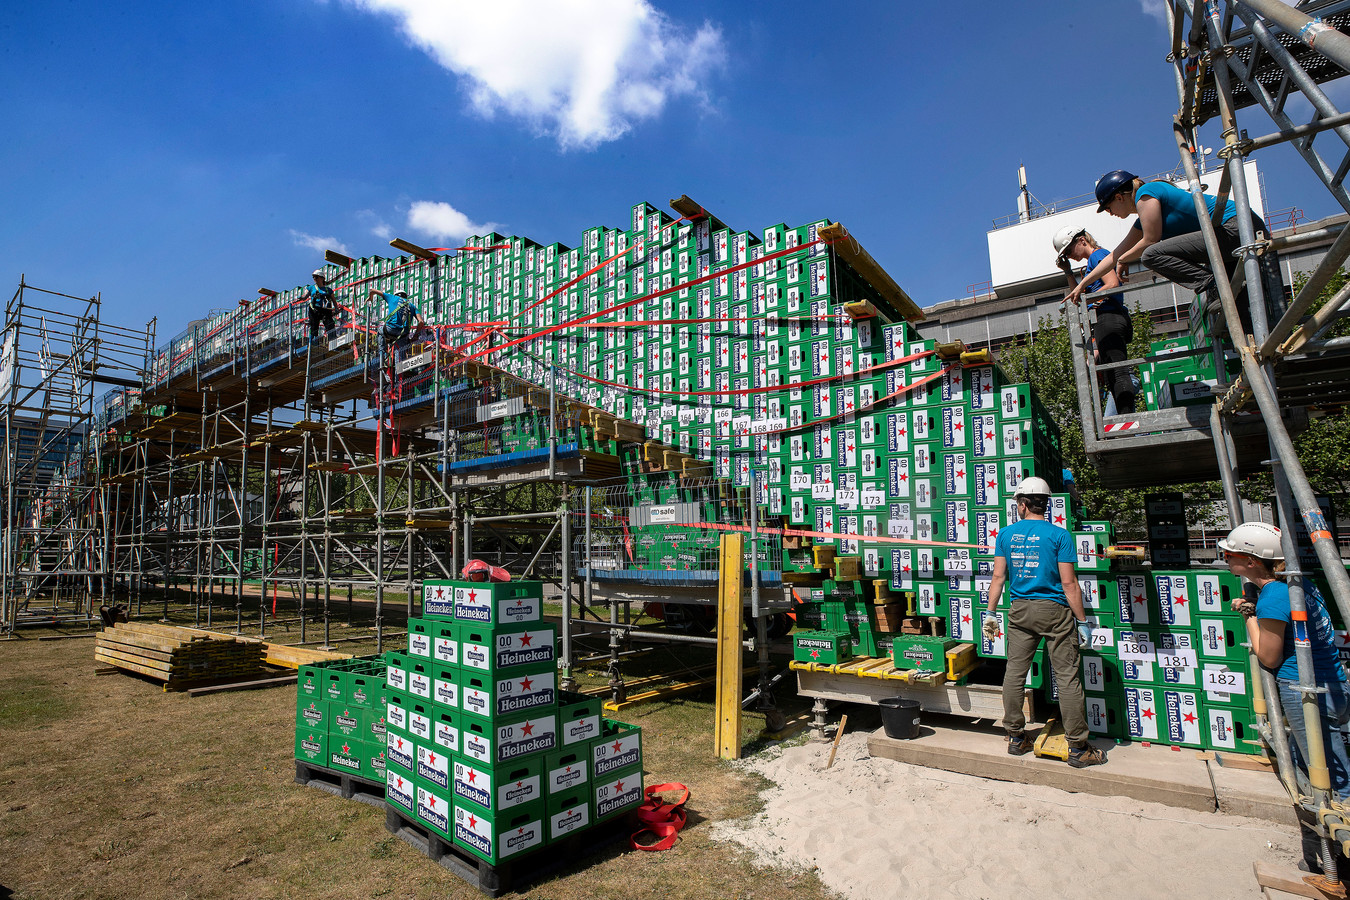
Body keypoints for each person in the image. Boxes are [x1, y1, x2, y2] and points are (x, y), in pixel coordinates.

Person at [1221, 521, 1350, 874]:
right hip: (1333, 685)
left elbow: (1268, 656)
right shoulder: (1295, 584)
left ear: (1251, 560)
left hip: (1303, 692)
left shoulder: (1274, 598)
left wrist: (1248, 614)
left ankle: (1334, 861)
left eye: (1230, 554)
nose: (1225, 560)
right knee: (1327, 767)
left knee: (1323, 779)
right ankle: (1318, 857)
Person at [1066, 169, 1283, 337]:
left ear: (1119, 197)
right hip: (1223, 240)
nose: (1110, 213)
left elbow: (1149, 241)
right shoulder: (1142, 217)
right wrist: (1082, 285)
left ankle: (1211, 283)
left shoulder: (1146, 194)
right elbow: (1113, 256)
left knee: (1151, 255)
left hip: (1236, 228)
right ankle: (1257, 355)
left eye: (1108, 207)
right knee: (1239, 307)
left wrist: (1124, 259)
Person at [984, 476, 1105, 767]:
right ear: (1045, 504)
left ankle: (1015, 736)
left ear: (1024, 504)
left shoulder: (1006, 535)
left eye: (1017, 503)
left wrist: (990, 613)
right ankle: (1077, 746)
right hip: (1055, 611)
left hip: (1020, 610)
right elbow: (1069, 584)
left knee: (1014, 673)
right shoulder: (1059, 535)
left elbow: (999, 577)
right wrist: (1083, 621)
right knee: (1067, 677)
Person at [1054, 225, 1134, 414]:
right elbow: (1078, 296)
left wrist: (1086, 300)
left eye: (1069, 250)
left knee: (1118, 371)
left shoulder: (1098, 256)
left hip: (1110, 317)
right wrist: (1068, 271)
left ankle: (1127, 418)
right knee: (1111, 373)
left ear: (1082, 240)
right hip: (1105, 320)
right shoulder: (1092, 262)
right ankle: (1125, 417)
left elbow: (1112, 284)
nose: (1070, 255)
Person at [374, 289, 425, 370]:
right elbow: (421, 322)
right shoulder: (412, 306)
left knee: (380, 330)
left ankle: (382, 357)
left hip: (390, 329)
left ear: (396, 295)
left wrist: (370, 296)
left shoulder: (392, 298)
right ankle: (399, 379)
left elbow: (373, 290)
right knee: (400, 356)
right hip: (403, 334)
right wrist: (415, 335)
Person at [307, 270, 337, 343]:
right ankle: (313, 343)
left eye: (316, 277)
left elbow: (334, 300)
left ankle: (332, 342)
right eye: (313, 277)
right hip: (315, 309)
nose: (314, 279)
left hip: (325, 310)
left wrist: (336, 308)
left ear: (322, 278)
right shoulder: (311, 288)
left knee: (330, 325)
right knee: (314, 326)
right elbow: (305, 296)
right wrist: (299, 298)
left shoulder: (328, 290)